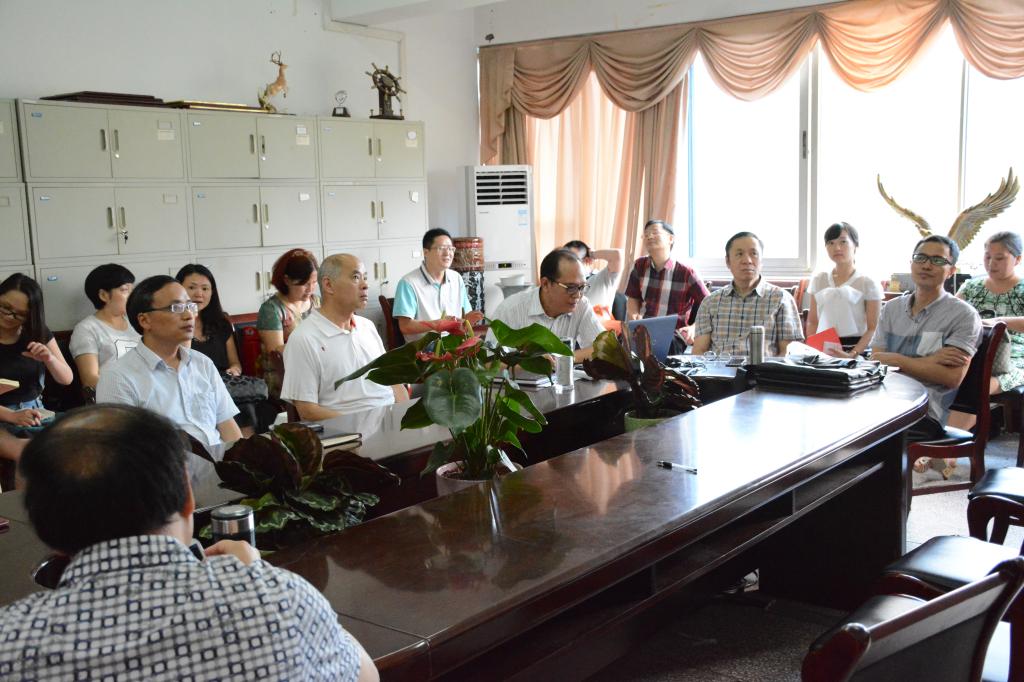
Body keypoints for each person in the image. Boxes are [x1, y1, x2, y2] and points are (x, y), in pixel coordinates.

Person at [0, 403, 378, 682]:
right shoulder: (279, 599)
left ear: (44, 529)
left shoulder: (12, 642)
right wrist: (258, 574)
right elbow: (365, 675)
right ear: (187, 494)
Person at [872, 235, 982, 475]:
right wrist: (929, 362)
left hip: (924, 413)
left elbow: (951, 377)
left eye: (937, 260)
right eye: (920, 258)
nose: (927, 265)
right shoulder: (891, 308)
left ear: (951, 271)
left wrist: (898, 359)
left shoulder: (964, 316)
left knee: (866, 443)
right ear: (911, 263)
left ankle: (890, 493)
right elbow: (875, 359)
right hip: (882, 402)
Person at [97, 275, 242, 449]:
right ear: (145, 320)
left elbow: (227, 424)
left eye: (189, 306)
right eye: (176, 308)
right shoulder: (118, 376)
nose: (189, 315)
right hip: (168, 465)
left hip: (220, 462)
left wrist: (243, 460)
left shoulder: (202, 363)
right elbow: (122, 450)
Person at [281, 254, 408, 421]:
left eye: (365, 278)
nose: (365, 285)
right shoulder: (303, 338)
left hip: (390, 422)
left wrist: (405, 418)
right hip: (348, 430)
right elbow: (308, 411)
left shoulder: (367, 327)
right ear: (328, 285)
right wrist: (360, 426)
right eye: (355, 277)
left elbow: (393, 381)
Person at [177, 264, 271, 435]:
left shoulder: (221, 323)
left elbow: (235, 363)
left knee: (250, 405)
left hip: (224, 386)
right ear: (178, 290)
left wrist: (234, 370)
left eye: (205, 288)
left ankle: (245, 447)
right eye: (192, 287)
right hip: (192, 389)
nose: (199, 294)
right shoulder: (173, 325)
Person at [692, 232, 804, 358]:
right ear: (728, 261)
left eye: (754, 254)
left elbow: (788, 353)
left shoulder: (781, 299)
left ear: (761, 261)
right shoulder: (710, 302)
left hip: (765, 369)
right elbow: (699, 351)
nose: (747, 261)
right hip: (719, 370)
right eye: (739, 254)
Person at [0, 273, 73, 462]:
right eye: (5, 307)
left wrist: (49, 359)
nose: (9, 317)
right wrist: (12, 416)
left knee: (82, 440)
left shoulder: (36, 332)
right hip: (4, 415)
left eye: (19, 314)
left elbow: (66, 378)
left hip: (35, 412)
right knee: (34, 454)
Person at [487, 249, 606, 362]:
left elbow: (604, 346)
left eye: (582, 287)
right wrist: (530, 363)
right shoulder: (510, 309)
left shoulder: (581, 304)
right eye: (570, 287)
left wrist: (563, 359)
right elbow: (489, 363)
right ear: (545, 284)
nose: (578, 295)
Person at [956, 231, 1024, 394]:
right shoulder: (971, 287)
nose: (992, 263)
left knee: (980, 384)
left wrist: (997, 322)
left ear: (1017, 259)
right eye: (987, 257)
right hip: (971, 348)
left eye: (999, 258)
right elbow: (951, 314)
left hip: (1012, 355)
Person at [625, 219, 709, 350]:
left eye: (654, 232)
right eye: (646, 234)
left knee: (664, 347)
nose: (649, 236)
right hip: (644, 330)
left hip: (673, 334)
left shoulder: (687, 272)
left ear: (671, 239)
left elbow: (710, 304)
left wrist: (694, 327)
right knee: (618, 345)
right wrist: (633, 314)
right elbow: (633, 298)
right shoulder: (639, 265)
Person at [806, 222, 882, 357]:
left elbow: (873, 328)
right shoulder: (819, 279)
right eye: (831, 243)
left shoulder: (868, 282)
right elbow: (812, 322)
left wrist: (853, 354)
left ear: (855, 245)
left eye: (843, 242)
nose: (837, 248)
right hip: (823, 349)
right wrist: (815, 349)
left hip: (858, 351)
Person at [393, 228, 481, 342]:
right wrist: (435, 325)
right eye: (442, 248)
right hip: (424, 350)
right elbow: (405, 326)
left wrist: (468, 320)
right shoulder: (409, 283)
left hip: (454, 347)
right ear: (426, 252)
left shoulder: (456, 278)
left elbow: (465, 315)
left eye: (451, 249)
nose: (448, 253)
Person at [69, 263, 140, 389]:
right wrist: (130, 390)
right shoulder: (86, 329)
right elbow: (90, 379)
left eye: (132, 290)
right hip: (115, 396)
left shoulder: (135, 321)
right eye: (125, 290)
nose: (132, 296)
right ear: (103, 295)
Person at [256, 248, 320, 354]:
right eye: (304, 284)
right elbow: (276, 354)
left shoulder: (317, 302)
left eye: (314, 282)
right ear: (286, 280)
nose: (310, 289)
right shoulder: (272, 310)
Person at [564, 240, 624, 311]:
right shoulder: (562, 285)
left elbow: (617, 255)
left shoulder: (603, 277)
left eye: (575, 259)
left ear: (587, 259)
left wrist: (592, 254)